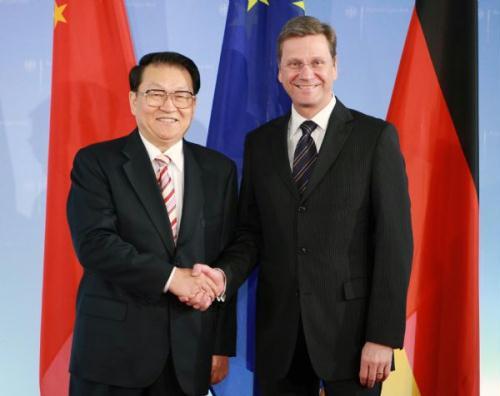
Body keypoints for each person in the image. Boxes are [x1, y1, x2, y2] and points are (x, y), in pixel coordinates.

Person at [186, 16, 413, 396]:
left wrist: (382, 336)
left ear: (335, 67)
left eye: (317, 62)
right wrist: (223, 276)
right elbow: (251, 233)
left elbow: (394, 242)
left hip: (353, 340)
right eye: (294, 63)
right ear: (279, 72)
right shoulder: (260, 143)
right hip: (280, 340)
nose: (306, 73)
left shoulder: (374, 138)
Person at [66, 51, 237, 396]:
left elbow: (224, 255)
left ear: (194, 103)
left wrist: (219, 344)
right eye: (155, 94)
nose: (169, 106)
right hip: (112, 356)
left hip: (189, 356)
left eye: (181, 95)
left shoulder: (219, 170)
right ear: (134, 100)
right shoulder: (97, 162)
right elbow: (95, 244)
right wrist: (173, 279)